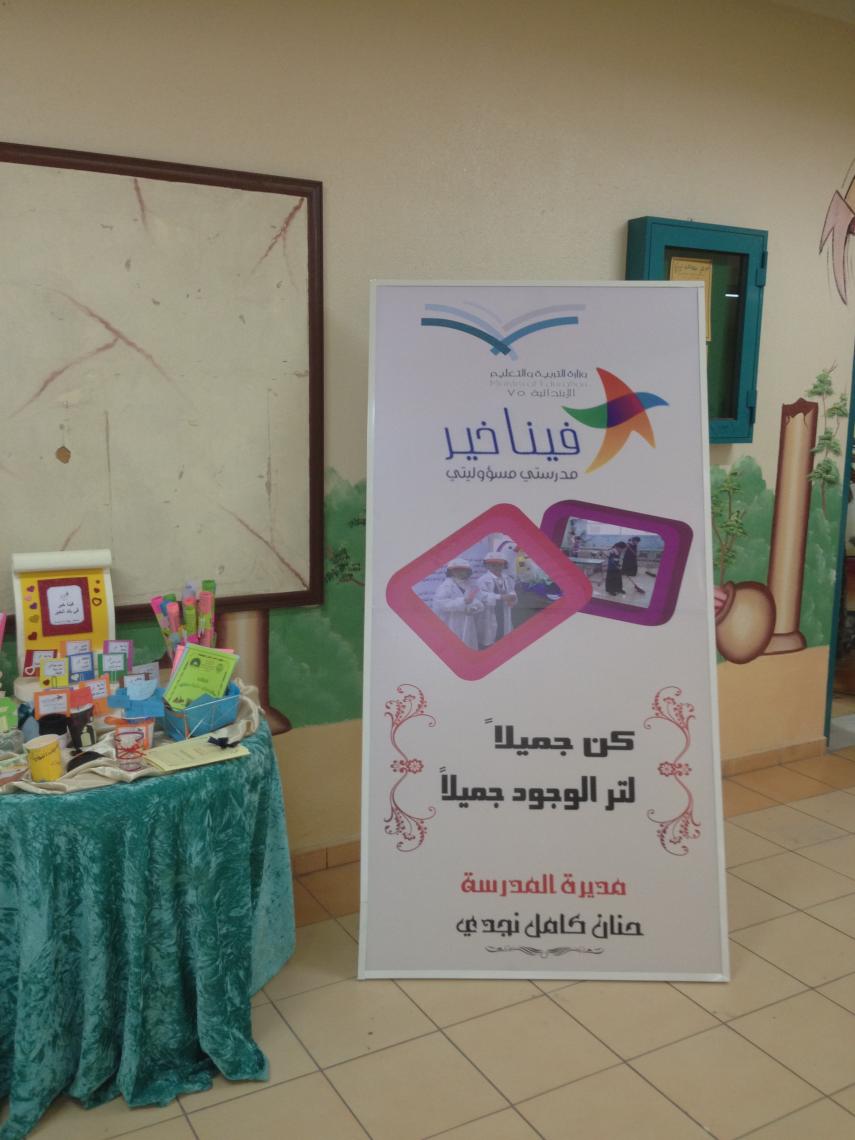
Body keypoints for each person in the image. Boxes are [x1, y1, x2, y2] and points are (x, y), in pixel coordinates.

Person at [431, 558, 484, 649]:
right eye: (456, 570)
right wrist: (462, 601)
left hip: (468, 621)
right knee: (453, 647)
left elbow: (479, 600)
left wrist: (473, 608)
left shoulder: (472, 585)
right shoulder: (445, 586)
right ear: (451, 572)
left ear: (468, 571)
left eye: (463, 570)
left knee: (468, 645)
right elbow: (441, 603)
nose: (460, 572)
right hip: (452, 621)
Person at [476, 552, 518, 646]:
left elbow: (512, 591)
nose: (496, 567)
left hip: (504, 609)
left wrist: (513, 598)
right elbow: (481, 596)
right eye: (493, 564)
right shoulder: (482, 580)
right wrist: (500, 597)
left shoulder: (507, 578)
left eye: (499, 564)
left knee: (504, 632)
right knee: (491, 636)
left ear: (504, 565)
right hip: (490, 611)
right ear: (487, 565)